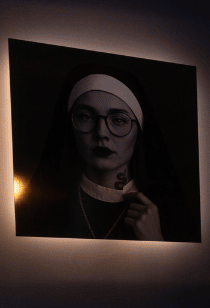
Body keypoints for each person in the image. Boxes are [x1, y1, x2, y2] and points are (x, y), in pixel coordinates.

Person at [15, 66, 195, 240]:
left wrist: (155, 241)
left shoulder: (168, 213)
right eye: (86, 117)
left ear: (138, 130)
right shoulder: (43, 210)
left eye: (118, 120)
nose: (101, 133)